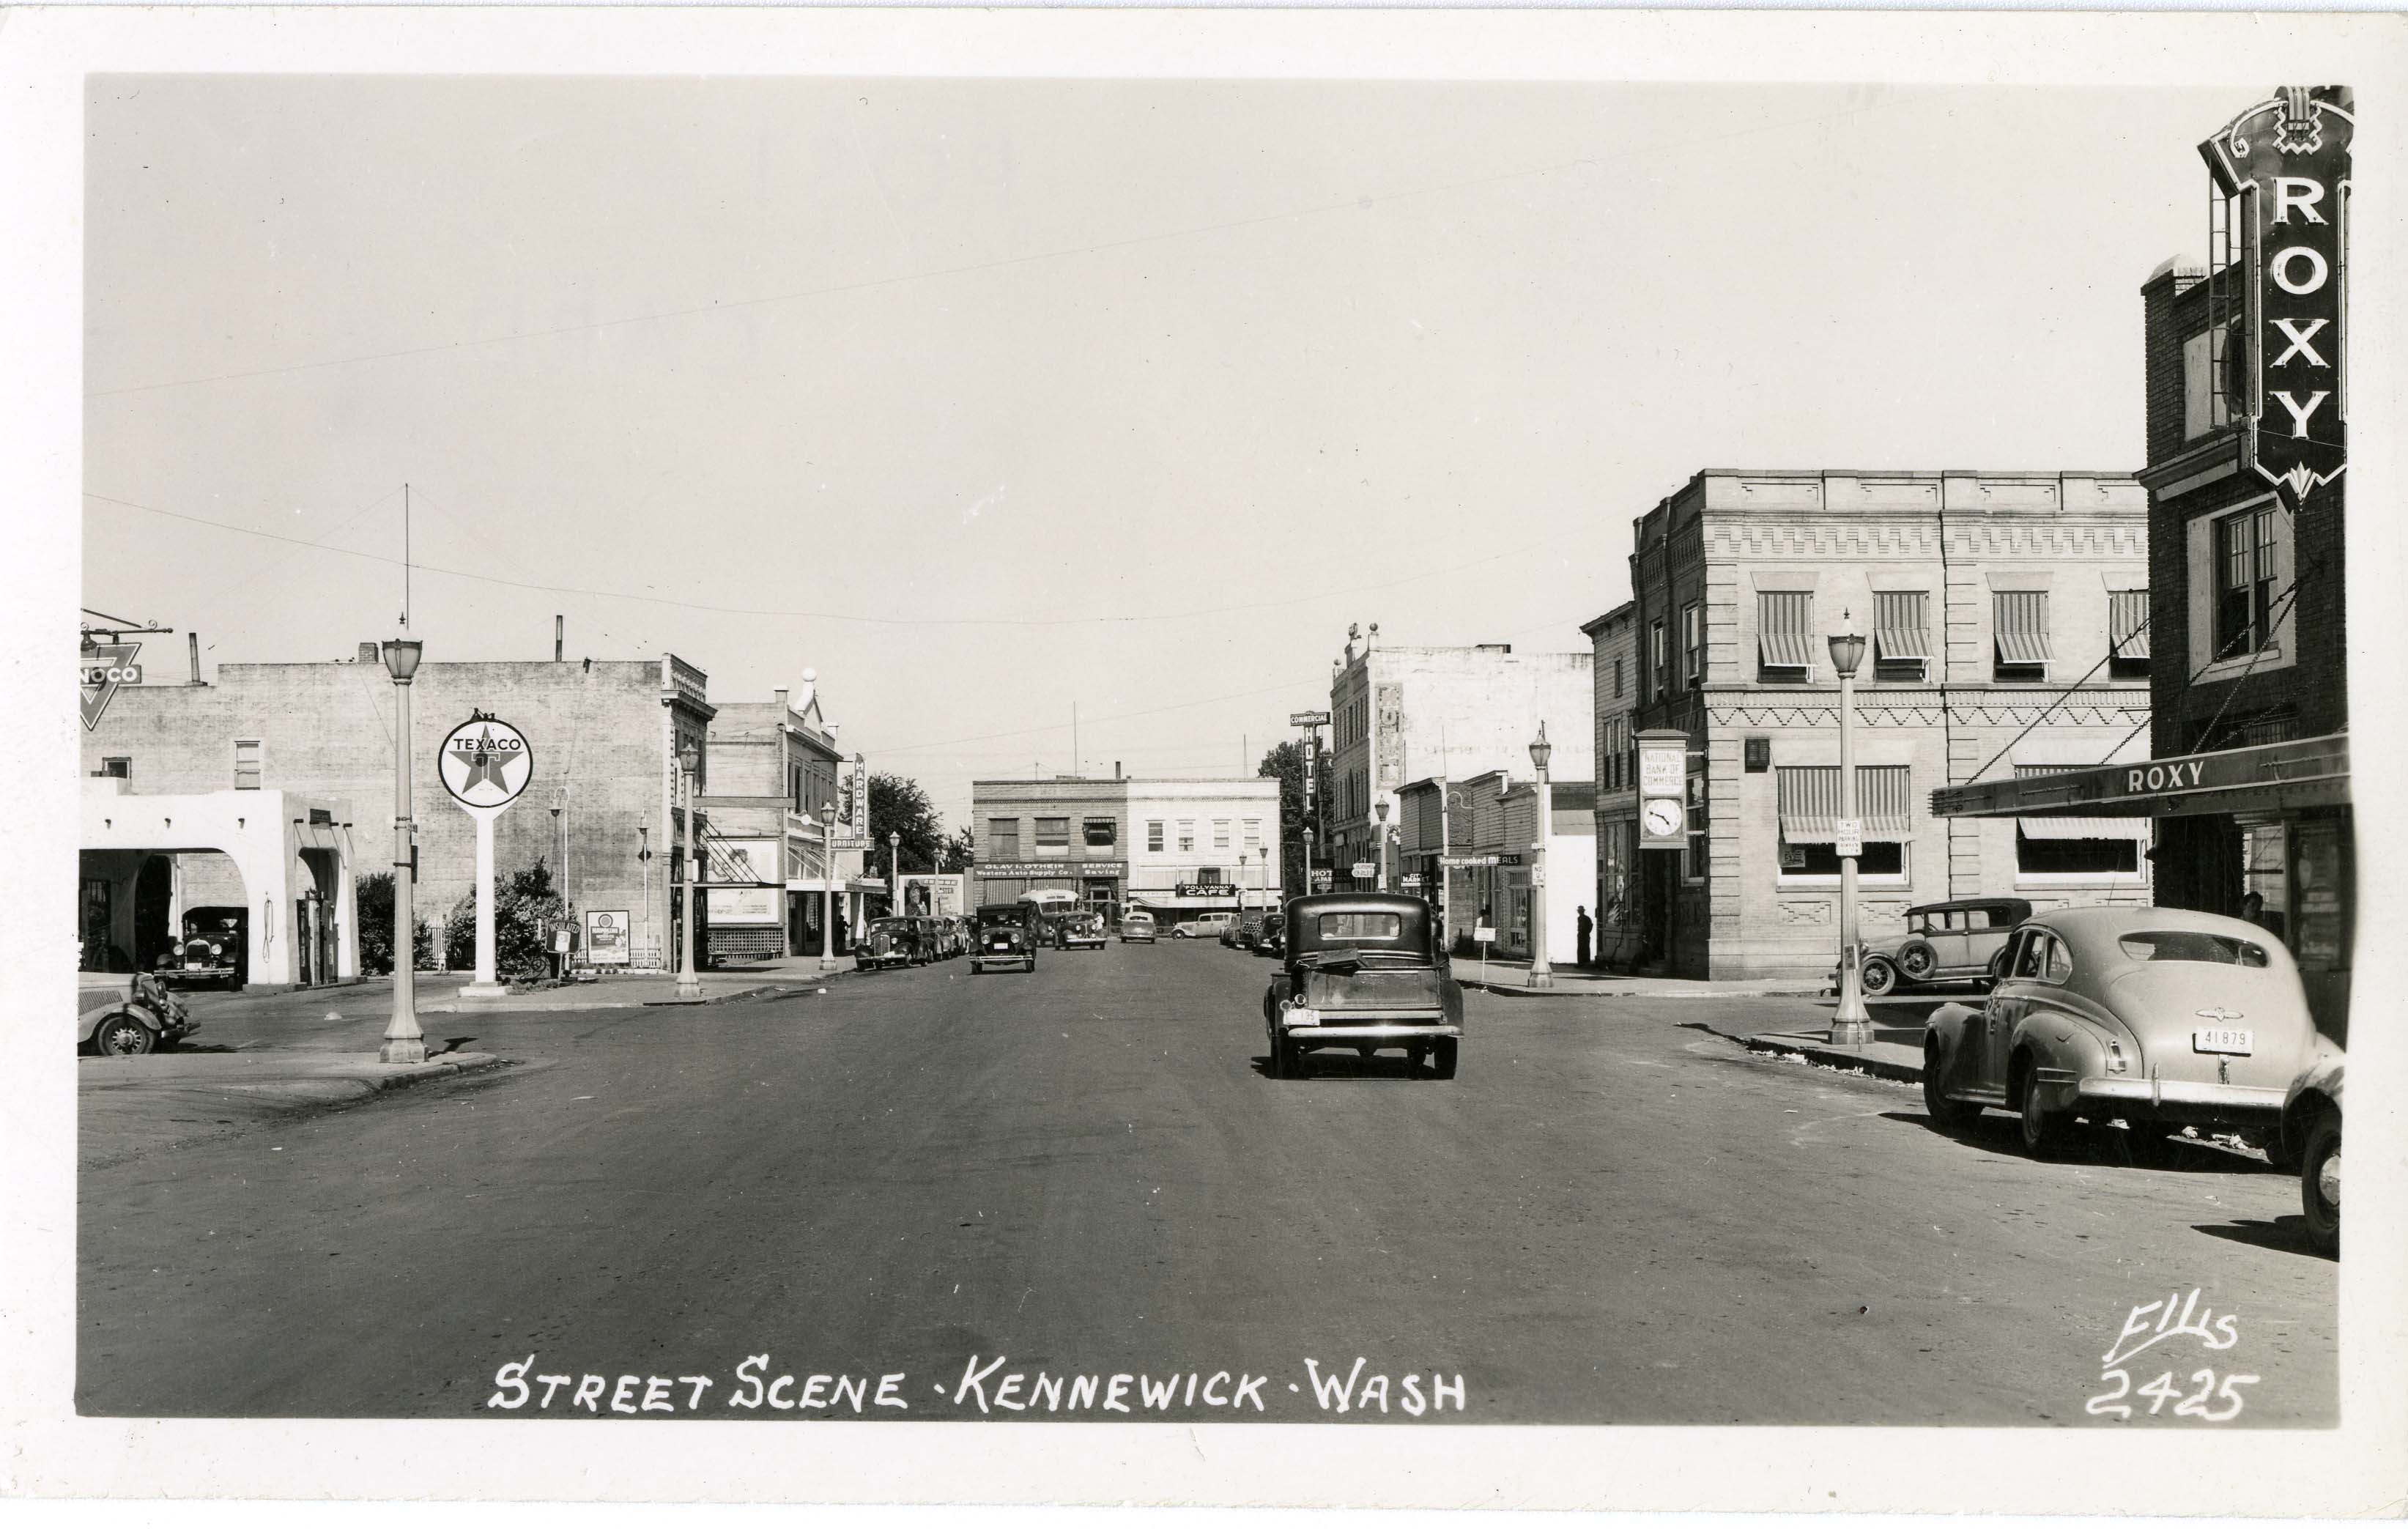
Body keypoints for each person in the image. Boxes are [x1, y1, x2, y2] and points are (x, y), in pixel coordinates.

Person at [1576, 905, 1594, 969]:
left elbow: (1591, 925)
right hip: (1581, 934)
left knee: (1585, 948)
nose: (1579, 912)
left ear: (1583, 911)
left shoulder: (1586, 918)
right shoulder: (1579, 918)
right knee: (1581, 948)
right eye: (1579, 911)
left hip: (1585, 935)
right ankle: (1581, 963)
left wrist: (1587, 932)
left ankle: (1584, 963)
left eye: (1580, 911)